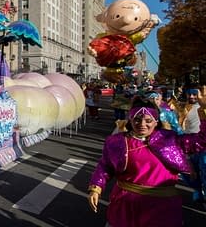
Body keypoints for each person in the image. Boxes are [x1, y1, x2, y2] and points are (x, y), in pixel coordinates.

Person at [87, 89, 206, 226]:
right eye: (137, 119)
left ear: (156, 121)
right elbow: (105, 166)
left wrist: (204, 111)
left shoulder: (170, 139)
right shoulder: (117, 141)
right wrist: (96, 187)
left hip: (162, 207)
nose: (142, 124)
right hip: (126, 205)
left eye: (148, 120)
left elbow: (202, 141)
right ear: (131, 120)